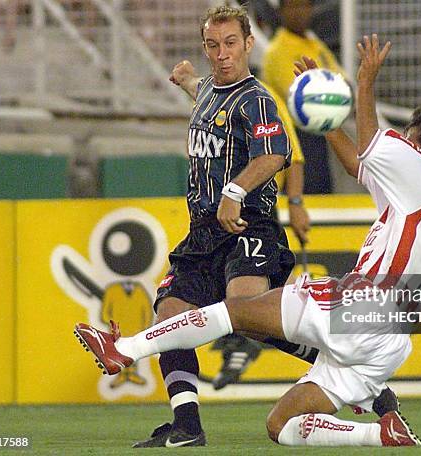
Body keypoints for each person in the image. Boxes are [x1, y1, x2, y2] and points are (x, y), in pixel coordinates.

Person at [75, 33, 421, 447]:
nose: (405, 143)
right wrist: (327, 119)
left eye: (411, 139)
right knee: (281, 426)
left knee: (236, 311)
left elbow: (369, 145)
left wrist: (365, 82)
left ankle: (124, 349)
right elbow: (356, 164)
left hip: (359, 307)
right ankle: (381, 433)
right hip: (388, 338)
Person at [113, 5, 308, 448]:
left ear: (248, 44)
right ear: (205, 47)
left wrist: (234, 191)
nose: (222, 54)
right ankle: (187, 425)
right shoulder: (208, 91)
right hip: (203, 233)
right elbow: (204, 94)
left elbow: (275, 153)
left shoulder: (258, 99)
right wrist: (184, 80)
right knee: (169, 317)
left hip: (247, 225)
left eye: (231, 44)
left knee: (249, 316)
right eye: (213, 45)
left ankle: (342, 364)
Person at [211, 79, 312, 391]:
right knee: (231, 299)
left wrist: (295, 202)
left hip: (257, 213)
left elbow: (290, 156)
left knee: (246, 302)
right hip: (218, 217)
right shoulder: (212, 101)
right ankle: (238, 346)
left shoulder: (263, 99)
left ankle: (241, 346)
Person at [261, 0, 343, 194]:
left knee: (321, 196)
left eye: (304, 5)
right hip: (292, 138)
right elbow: (303, 99)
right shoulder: (276, 51)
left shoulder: (316, 45)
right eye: (293, 6)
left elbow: (343, 83)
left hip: (319, 136)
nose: (299, 12)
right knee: (300, 199)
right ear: (281, 11)